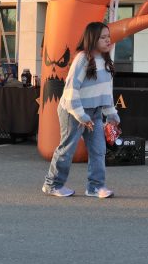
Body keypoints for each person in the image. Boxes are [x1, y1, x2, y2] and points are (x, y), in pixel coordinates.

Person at [41, 22, 119, 199]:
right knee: (67, 149)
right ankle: (52, 184)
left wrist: (112, 114)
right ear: (93, 39)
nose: (108, 40)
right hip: (73, 111)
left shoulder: (106, 60)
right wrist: (81, 115)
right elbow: (70, 90)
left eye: (109, 36)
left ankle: (95, 187)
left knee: (99, 150)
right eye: (103, 37)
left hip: (95, 112)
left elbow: (106, 91)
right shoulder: (82, 59)